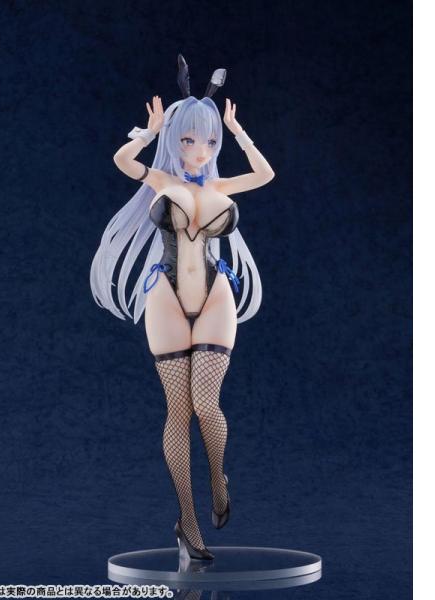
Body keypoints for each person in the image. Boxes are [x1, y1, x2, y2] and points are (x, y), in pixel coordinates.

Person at [90, 55, 274, 561]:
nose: (198, 151)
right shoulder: (160, 180)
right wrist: (147, 133)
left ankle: (217, 477)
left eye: (208, 142)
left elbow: (265, 174)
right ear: (175, 141)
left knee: (206, 405)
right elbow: (122, 162)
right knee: (178, 409)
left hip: (215, 292)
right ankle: (187, 522)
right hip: (165, 295)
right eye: (189, 140)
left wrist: (238, 132)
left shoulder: (218, 185)